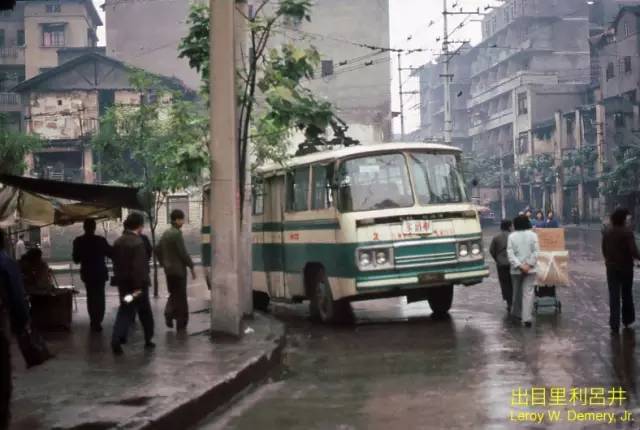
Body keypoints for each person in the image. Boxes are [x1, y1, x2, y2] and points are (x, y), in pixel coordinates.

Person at [110, 213, 155, 355]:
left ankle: (116, 338)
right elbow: (138, 267)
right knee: (145, 312)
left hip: (123, 286)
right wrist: (138, 288)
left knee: (125, 309)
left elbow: (116, 264)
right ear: (140, 226)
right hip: (138, 288)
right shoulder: (138, 243)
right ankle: (148, 339)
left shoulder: (118, 242)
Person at [602, 208, 640, 334]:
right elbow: (633, 251)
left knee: (614, 296)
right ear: (623, 219)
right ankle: (627, 320)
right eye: (627, 218)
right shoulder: (627, 233)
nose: (629, 221)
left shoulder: (607, 232)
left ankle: (614, 324)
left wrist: (609, 261)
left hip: (611, 269)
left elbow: (604, 250)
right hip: (626, 268)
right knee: (626, 294)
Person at [157, 209, 195, 331]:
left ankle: (169, 313)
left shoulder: (165, 233)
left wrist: (163, 263)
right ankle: (180, 323)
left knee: (173, 293)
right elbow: (183, 253)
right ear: (176, 220)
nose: (183, 222)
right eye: (182, 219)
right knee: (181, 297)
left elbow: (157, 249)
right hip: (179, 271)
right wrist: (191, 266)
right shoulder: (176, 234)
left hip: (169, 271)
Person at [72, 219, 113, 332]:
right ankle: (98, 321)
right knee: (100, 296)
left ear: (84, 227)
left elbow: (76, 259)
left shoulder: (78, 241)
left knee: (91, 297)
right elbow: (111, 253)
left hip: (87, 273)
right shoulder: (100, 240)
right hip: (100, 272)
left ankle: (93, 320)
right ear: (94, 228)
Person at [507, 215, 540, 327]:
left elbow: (510, 254)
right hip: (530, 270)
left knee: (516, 293)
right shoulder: (533, 236)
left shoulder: (511, 237)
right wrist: (528, 264)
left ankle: (516, 314)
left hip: (516, 270)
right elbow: (536, 252)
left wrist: (520, 266)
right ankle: (527, 318)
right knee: (528, 293)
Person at [490, 219, 514, 312]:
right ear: (509, 226)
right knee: (513, 283)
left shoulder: (496, 237)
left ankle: (509, 303)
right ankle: (515, 301)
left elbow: (491, 250)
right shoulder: (513, 236)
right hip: (513, 263)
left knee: (505, 284)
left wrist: (497, 259)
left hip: (501, 264)